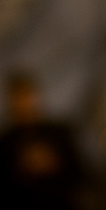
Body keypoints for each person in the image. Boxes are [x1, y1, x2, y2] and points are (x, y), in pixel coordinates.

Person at [0, 73, 83, 210]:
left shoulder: (59, 134)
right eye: (18, 98)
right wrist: (23, 168)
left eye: (27, 96)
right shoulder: (6, 142)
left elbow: (80, 173)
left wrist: (52, 163)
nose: (23, 103)